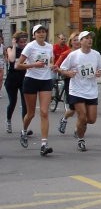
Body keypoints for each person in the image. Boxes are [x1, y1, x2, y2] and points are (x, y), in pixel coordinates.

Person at [16, 24, 58, 155]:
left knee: (44, 112)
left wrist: (53, 66)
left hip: (45, 80)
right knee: (31, 113)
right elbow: (18, 65)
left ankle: (44, 144)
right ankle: (24, 130)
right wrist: (34, 64)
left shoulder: (49, 46)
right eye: (38, 32)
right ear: (34, 35)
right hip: (31, 81)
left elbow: (50, 61)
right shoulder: (30, 46)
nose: (41, 34)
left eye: (43, 31)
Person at [59, 31, 101, 152]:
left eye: (91, 38)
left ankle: (79, 126)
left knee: (92, 119)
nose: (90, 40)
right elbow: (62, 69)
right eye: (86, 38)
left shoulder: (96, 54)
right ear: (81, 41)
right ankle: (81, 139)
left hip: (91, 90)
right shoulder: (74, 55)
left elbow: (99, 68)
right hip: (77, 90)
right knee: (82, 116)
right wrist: (68, 73)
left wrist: (99, 72)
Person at [55, 32, 81, 135]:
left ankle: (77, 129)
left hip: (83, 83)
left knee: (82, 109)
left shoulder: (87, 53)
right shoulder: (67, 53)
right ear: (70, 42)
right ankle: (64, 118)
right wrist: (67, 72)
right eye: (74, 40)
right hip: (70, 82)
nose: (77, 42)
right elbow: (57, 67)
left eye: (79, 39)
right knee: (73, 108)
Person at [5, 31, 29, 134]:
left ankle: (24, 128)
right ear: (16, 41)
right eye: (21, 42)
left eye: (25, 41)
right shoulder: (10, 48)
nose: (23, 44)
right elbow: (11, 59)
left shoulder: (27, 50)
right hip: (12, 80)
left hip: (24, 79)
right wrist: (14, 45)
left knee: (25, 104)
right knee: (13, 102)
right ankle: (9, 121)